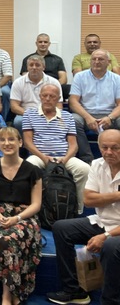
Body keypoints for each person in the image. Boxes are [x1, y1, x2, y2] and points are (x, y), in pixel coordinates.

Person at [47, 129, 120, 305]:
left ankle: (110, 301)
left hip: (115, 231)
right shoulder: (96, 164)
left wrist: (106, 236)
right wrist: (118, 196)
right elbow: (88, 200)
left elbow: (95, 198)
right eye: (104, 147)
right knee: (61, 228)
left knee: (110, 245)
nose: (108, 152)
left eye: (115, 148)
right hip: (102, 222)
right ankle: (73, 290)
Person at [0, 127, 43, 305]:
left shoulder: (33, 170)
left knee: (11, 239)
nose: (7, 143)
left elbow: (36, 204)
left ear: (20, 142)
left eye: (11, 139)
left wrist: (17, 219)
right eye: (3, 140)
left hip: (24, 215)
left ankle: (7, 294)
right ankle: (12, 291)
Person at [22, 83, 90, 213]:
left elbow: (74, 145)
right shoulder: (29, 114)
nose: (47, 99)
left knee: (84, 169)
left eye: (52, 96)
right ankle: (34, 209)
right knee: (29, 166)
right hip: (39, 156)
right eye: (45, 95)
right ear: (40, 96)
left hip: (64, 156)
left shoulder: (68, 116)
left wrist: (65, 159)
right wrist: (43, 157)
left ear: (58, 98)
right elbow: (28, 143)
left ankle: (78, 210)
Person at [68, 49, 120, 164]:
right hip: (85, 114)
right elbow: (73, 101)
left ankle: (117, 156)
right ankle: (87, 159)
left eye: (100, 59)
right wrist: (87, 117)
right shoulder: (79, 77)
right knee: (73, 120)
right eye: (94, 59)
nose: (96, 62)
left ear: (108, 62)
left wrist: (110, 117)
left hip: (109, 115)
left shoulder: (117, 79)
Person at [10, 55, 62, 134]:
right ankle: (25, 142)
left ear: (43, 67)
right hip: (25, 113)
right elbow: (14, 106)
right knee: (18, 121)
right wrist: (32, 115)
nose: (34, 67)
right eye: (31, 65)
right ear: (27, 67)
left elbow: (59, 105)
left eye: (37, 65)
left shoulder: (54, 82)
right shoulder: (18, 82)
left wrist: (46, 115)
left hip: (49, 112)